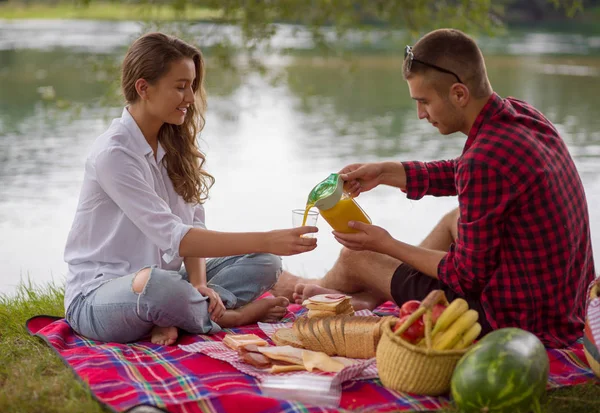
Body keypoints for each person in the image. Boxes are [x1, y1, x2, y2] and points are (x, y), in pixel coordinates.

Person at [272, 28, 596, 348]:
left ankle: (311, 289)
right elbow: (464, 172)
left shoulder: (482, 161)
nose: (420, 114)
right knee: (453, 218)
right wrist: (388, 172)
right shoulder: (523, 116)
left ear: (458, 94)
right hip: (562, 308)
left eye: (424, 101)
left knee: (357, 256)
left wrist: (388, 245)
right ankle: (366, 294)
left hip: (513, 321)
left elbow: (465, 276)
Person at [63, 32, 318, 346]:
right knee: (156, 287)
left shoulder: (173, 144)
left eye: (192, 86)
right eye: (180, 87)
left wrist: (199, 283)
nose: (190, 98)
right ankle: (230, 316)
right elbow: (176, 237)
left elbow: (192, 227)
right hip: (100, 296)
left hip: (169, 281)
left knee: (265, 261)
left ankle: (185, 312)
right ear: (144, 88)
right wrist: (270, 237)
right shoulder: (114, 155)